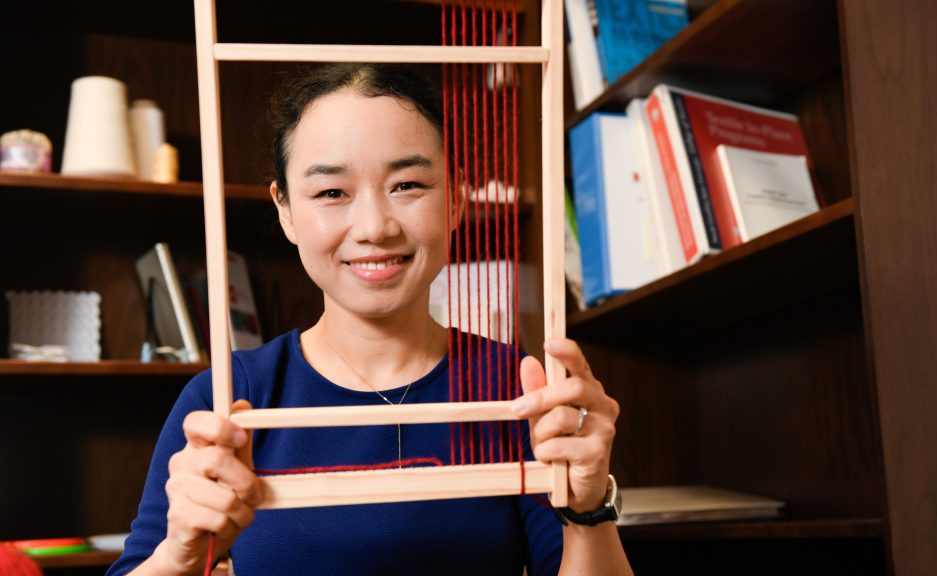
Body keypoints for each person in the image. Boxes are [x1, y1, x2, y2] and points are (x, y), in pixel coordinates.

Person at [107, 63, 632, 576]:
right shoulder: (227, 398)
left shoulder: (520, 390)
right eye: (331, 192)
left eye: (407, 185)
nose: (374, 227)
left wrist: (587, 508)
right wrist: (179, 555)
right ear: (286, 209)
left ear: (457, 199)